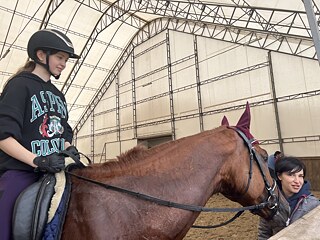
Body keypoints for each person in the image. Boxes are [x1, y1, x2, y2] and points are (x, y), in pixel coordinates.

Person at [0, 29, 80, 240]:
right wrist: (37, 160)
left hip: (54, 171)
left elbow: (63, 130)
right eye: (60, 57)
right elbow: (3, 136)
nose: (64, 63)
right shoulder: (19, 86)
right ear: (41, 55)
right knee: (4, 227)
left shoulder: (58, 95)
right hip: (21, 170)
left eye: (66, 59)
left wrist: (67, 148)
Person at [258, 156, 320, 239]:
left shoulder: (314, 205)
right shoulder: (270, 203)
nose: (297, 181)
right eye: (291, 175)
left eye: (301, 176)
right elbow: (264, 233)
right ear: (279, 176)